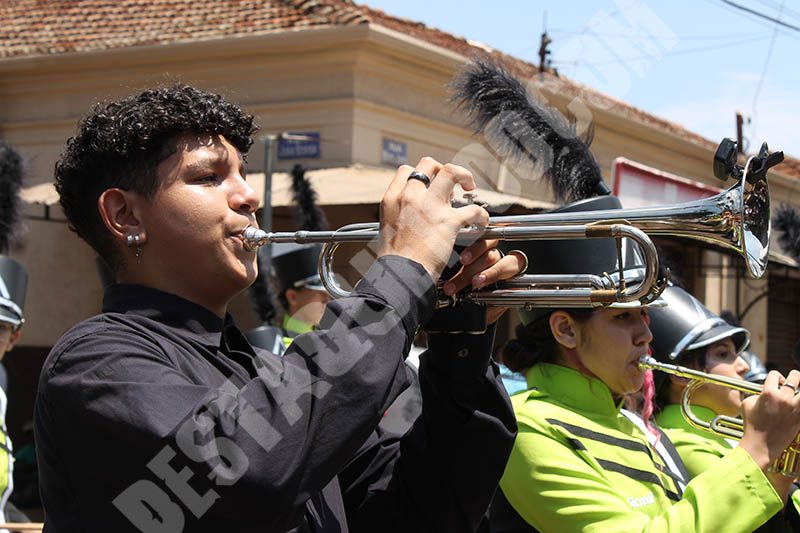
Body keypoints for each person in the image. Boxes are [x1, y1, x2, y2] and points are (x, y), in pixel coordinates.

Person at [34, 84, 522, 531]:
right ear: (125, 214)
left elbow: (424, 513)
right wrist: (402, 271)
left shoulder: (270, 373)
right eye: (208, 177)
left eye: (244, 174)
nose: (248, 196)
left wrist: (460, 341)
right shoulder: (95, 363)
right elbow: (246, 472)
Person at [493, 194, 800, 532]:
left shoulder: (634, 425)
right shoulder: (528, 427)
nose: (646, 335)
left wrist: (780, 463)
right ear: (566, 330)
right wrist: (758, 448)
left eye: (643, 315)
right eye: (622, 317)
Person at [649, 285, 800, 531]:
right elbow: (757, 523)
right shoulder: (680, 443)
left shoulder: (725, 435)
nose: (743, 366)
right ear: (682, 374)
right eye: (723, 354)